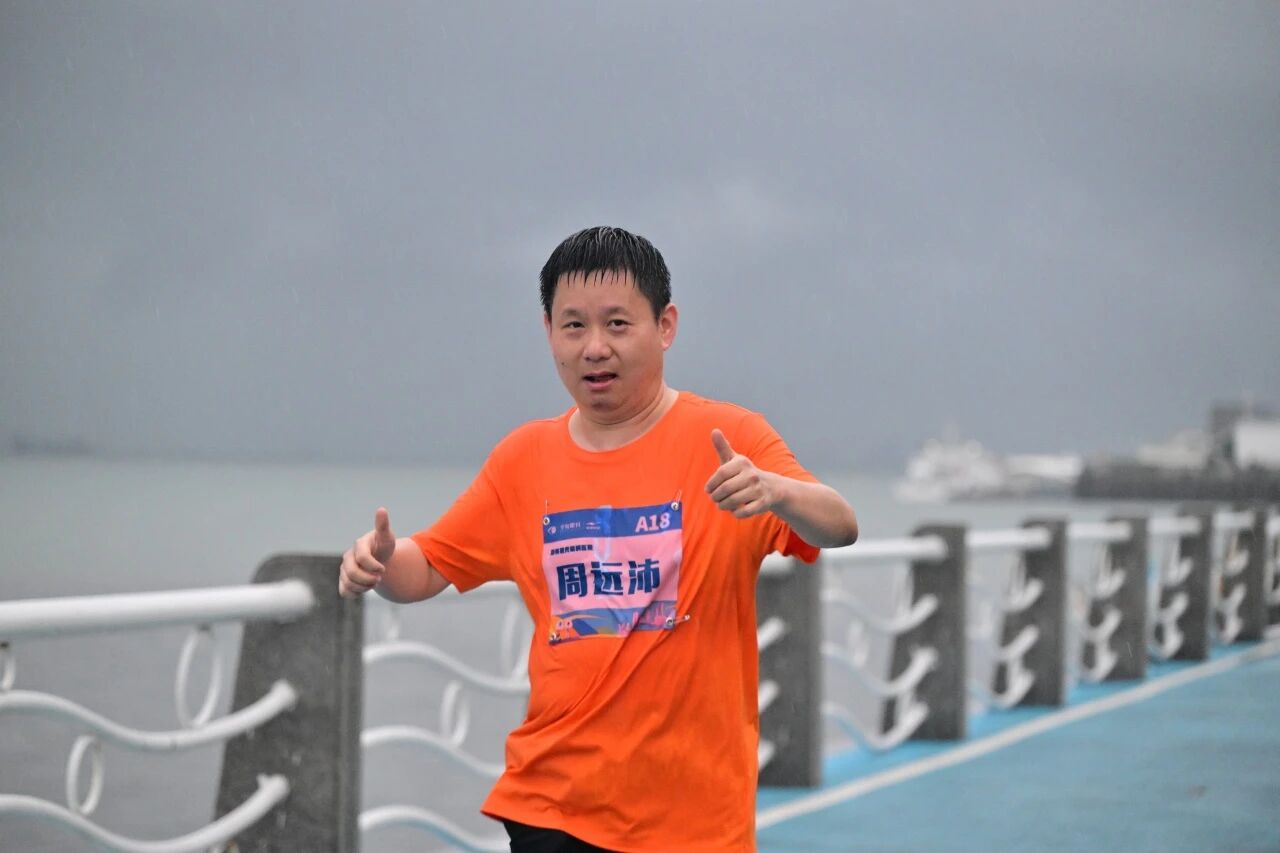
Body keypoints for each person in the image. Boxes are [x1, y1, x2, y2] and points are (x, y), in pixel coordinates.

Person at [339, 226, 858, 852]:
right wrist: (380, 563)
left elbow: (839, 525)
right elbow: (427, 568)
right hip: (554, 804)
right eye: (573, 326)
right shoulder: (523, 459)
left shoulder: (730, 439)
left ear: (665, 326)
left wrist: (778, 493)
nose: (594, 347)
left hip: (695, 818)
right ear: (548, 332)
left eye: (617, 324)